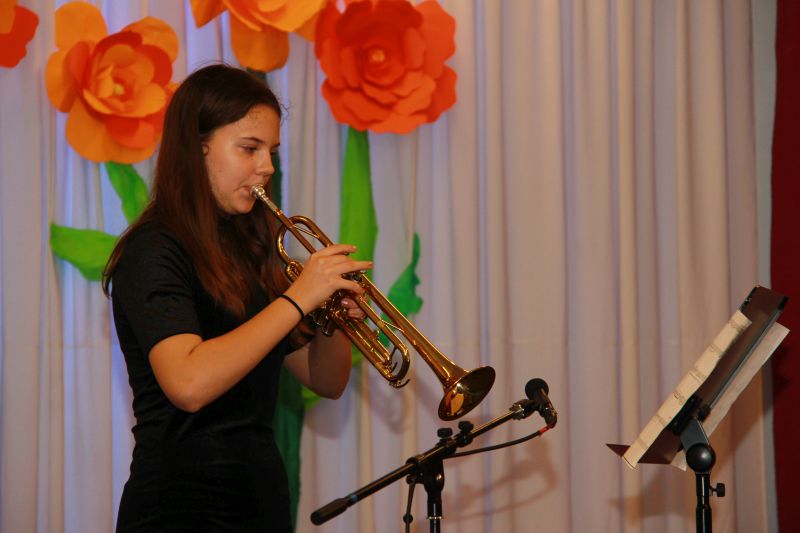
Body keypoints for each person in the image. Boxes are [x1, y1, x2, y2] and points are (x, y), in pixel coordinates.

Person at [102, 63, 370, 532]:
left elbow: (325, 380)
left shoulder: (252, 247)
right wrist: (298, 299)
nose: (267, 167)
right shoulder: (153, 249)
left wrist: (333, 319)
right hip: (179, 510)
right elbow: (188, 384)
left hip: (259, 503)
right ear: (198, 147)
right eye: (249, 148)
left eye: (272, 151)